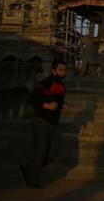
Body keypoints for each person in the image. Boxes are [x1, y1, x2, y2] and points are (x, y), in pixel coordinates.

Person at [20, 59, 68, 189]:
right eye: (60, 70)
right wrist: (45, 105)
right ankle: (32, 181)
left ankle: (30, 168)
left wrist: (62, 105)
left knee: (52, 152)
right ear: (53, 71)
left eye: (64, 70)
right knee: (41, 152)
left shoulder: (62, 86)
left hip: (53, 122)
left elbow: (58, 101)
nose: (63, 73)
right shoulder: (44, 84)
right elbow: (31, 99)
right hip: (41, 120)